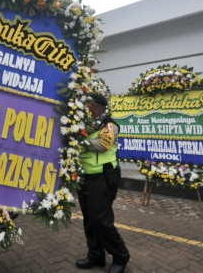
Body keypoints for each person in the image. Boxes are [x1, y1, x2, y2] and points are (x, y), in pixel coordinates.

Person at [75, 93, 130, 273]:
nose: (88, 109)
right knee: (90, 220)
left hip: (103, 179)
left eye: (90, 105)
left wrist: (79, 140)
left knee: (101, 220)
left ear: (99, 107)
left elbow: (102, 145)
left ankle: (121, 256)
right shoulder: (86, 125)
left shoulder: (110, 125)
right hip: (86, 178)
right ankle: (96, 255)